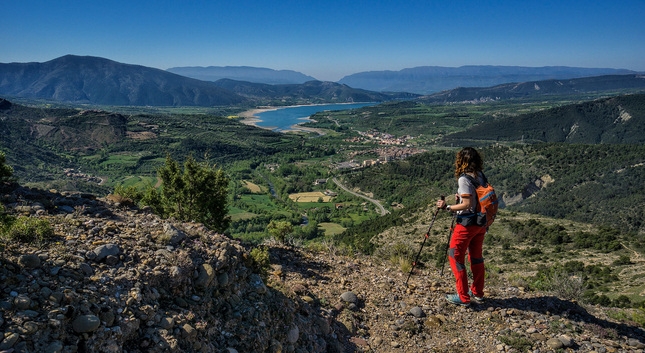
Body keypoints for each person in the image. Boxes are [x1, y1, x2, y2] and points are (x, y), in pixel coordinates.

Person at [436, 147, 487, 306]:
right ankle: (477, 292)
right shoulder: (480, 175)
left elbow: (467, 204)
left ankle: (463, 296)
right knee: (476, 257)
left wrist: (447, 207)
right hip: (481, 223)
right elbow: (477, 198)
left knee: (455, 256)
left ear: (461, 161)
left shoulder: (464, 179)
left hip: (467, 225)